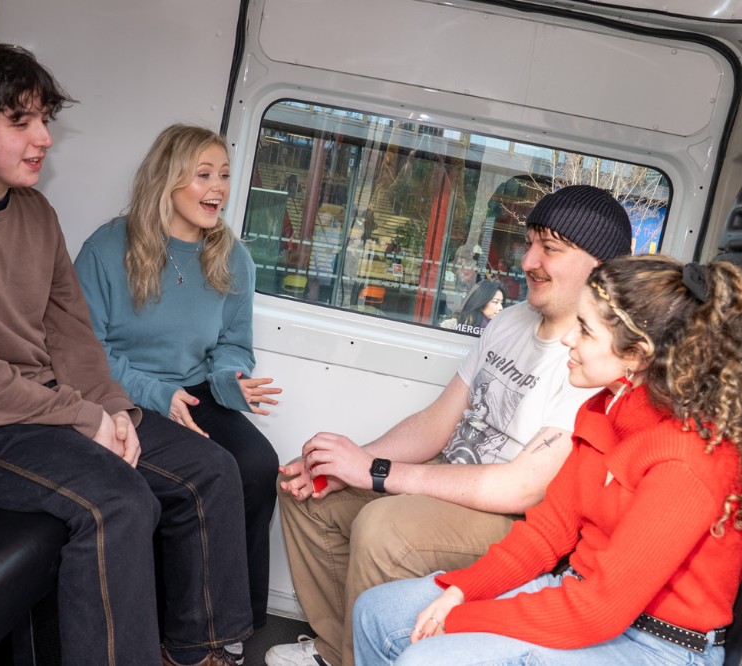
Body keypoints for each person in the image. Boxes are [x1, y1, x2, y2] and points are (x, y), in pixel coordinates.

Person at [0, 40, 251, 666]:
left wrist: (114, 409)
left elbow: (70, 332)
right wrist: (83, 418)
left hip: (40, 405)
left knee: (212, 468)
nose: (43, 138)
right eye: (21, 122)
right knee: (118, 502)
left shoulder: (35, 212)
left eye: (45, 120)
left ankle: (202, 651)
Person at [353, 255, 742, 666]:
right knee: (377, 612)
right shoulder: (605, 408)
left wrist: (458, 622)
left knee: (426, 659)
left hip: (659, 646)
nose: (568, 338)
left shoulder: (689, 460)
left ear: (637, 355)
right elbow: (546, 534)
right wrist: (464, 591)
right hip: (582, 597)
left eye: (585, 330)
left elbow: (598, 613)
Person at [266, 185, 634, 666]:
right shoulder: (510, 321)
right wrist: (348, 465)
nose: (527, 261)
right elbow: (438, 421)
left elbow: (522, 489)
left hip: (506, 512)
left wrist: (377, 472)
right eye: (530, 243)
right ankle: (341, 652)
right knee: (308, 490)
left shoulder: (594, 358)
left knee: (384, 528)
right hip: (452, 474)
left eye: (551, 248)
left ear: (599, 266)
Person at [74, 124, 281, 640]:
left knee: (257, 465)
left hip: (195, 390)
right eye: (203, 174)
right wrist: (154, 394)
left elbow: (233, 344)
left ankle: (239, 626)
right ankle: (187, 629)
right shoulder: (107, 248)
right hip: (122, 393)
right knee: (209, 473)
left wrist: (232, 380)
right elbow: (83, 349)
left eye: (225, 176)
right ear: (167, 180)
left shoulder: (233, 258)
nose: (218, 188)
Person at [440, 279, 505, 335]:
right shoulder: (452, 326)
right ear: (482, 302)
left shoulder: (499, 331)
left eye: (501, 303)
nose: (501, 308)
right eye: (495, 302)